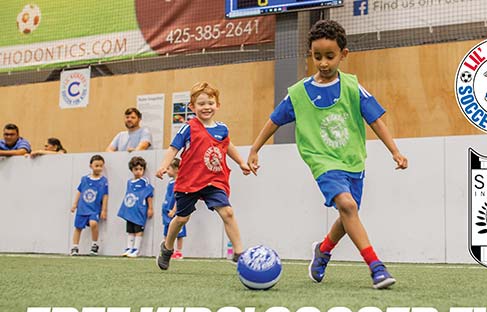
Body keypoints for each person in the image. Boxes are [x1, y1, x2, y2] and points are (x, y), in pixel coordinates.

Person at [247, 20, 409, 289]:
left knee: (349, 214)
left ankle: (322, 250)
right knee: (347, 206)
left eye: (329, 56)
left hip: (352, 160)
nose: (322, 63)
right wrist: (254, 149)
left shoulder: (352, 87)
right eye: (316, 56)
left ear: (343, 55)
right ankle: (376, 267)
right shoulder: (299, 93)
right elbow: (274, 120)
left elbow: (376, 120)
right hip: (321, 160)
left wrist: (395, 151)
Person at [155, 82, 251, 270]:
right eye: (201, 104)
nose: (206, 107)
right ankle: (167, 247)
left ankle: (239, 253)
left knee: (228, 212)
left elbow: (229, 146)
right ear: (192, 107)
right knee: (182, 218)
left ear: (217, 105)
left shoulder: (222, 128)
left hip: (214, 181)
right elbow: (174, 148)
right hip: (190, 181)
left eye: (210, 103)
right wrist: (163, 166)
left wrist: (241, 162)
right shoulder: (188, 128)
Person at [70, 155, 109, 256]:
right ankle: (75, 247)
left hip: (94, 209)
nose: (99, 168)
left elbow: (105, 195)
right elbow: (79, 191)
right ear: (91, 166)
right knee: (78, 227)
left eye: (101, 166)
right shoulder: (84, 179)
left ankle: (94, 245)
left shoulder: (103, 181)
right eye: (96, 165)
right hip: (82, 208)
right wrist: (75, 204)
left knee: (93, 224)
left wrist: (104, 210)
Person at [117, 156, 154, 257]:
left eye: (140, 169)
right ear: (132, 170)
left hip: (140, 210)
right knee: (130, 230)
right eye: (136, 169)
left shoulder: (144, 181)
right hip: (130, 210)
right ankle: (129, 247)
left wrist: (150, 208)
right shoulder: (129, 182)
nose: (138, 171)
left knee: (138, 230)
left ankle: (136, 249)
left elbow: (149, 194)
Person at [162, 158, 186, 259]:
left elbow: (178, 198)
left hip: (175, 212)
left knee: (179, 232)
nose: (167, 171)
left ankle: (179, 251)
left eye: (169, 169)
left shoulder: (179, 182)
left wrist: (174, 210)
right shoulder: (171, 182)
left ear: (177, 169)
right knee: (167, 231)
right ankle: (166, 249)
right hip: (167, 211)